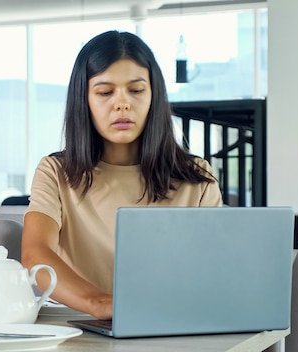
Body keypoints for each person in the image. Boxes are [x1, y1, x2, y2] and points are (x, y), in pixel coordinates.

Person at [21, 30, 222, 320]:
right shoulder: (55, 172)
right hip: (83, 325)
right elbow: (35, 255)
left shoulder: (197, 177)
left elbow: (214, 270)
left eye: (136, 90)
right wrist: (98, 304)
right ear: (84, 99)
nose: (122, 103)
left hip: (172, 322)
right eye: (105, 92)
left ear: (154, 96)